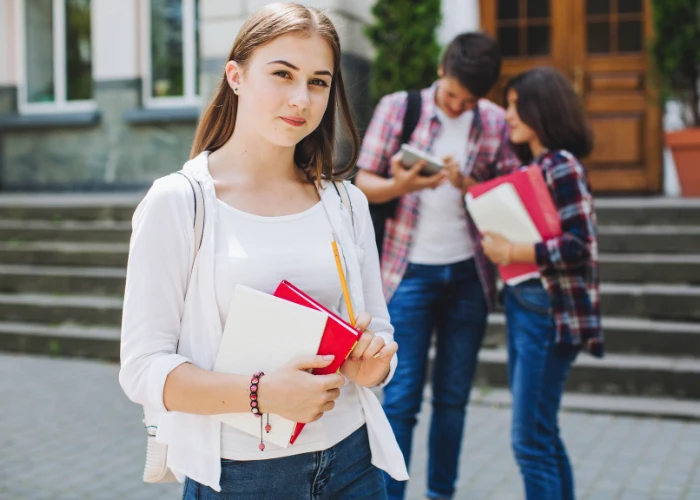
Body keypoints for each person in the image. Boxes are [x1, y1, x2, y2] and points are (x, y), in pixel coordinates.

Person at [118, 3, 409, 498]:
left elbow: (376, 328)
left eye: (319, 82)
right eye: (282, 74)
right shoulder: (179, 203)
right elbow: (143, 369)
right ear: (236, 76)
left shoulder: (346, 202)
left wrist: (374, 363)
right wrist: (262, 394)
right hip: (242, 478)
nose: (301, 98)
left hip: (354, 464)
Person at [354, 32, 518, 500]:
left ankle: (441, 494)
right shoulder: (398, 107)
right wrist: (403, 184)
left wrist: (471, 183)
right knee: (402, 402)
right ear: (441, 70)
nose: (457, 105)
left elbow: (506, 191)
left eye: (468, 100)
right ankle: (391, 494)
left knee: (453, 401)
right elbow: (362, 183)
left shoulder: (491, 121)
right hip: (407, 276)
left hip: (469, 276)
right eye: (451, 95)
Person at [481, 66, 604, 500]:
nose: (507, 114)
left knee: (529, 441)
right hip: (528, 305)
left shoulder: (561, 165)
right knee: (542, 434)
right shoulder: (536, 166)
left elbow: (580, 246)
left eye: (515, 106)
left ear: (540, 108)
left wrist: (513, 252)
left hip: (547, 312)